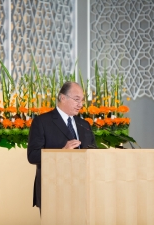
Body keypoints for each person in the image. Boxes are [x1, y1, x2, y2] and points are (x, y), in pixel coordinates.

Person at [27, 81, 96, 212]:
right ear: (62, 98)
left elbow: (94, 153)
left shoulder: (84, 124)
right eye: (76, 99)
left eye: (82, 100)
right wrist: (62, 151)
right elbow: (32, 156)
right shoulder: (42, 122)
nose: (80, 104)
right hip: (53, 190)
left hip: (82, 190)